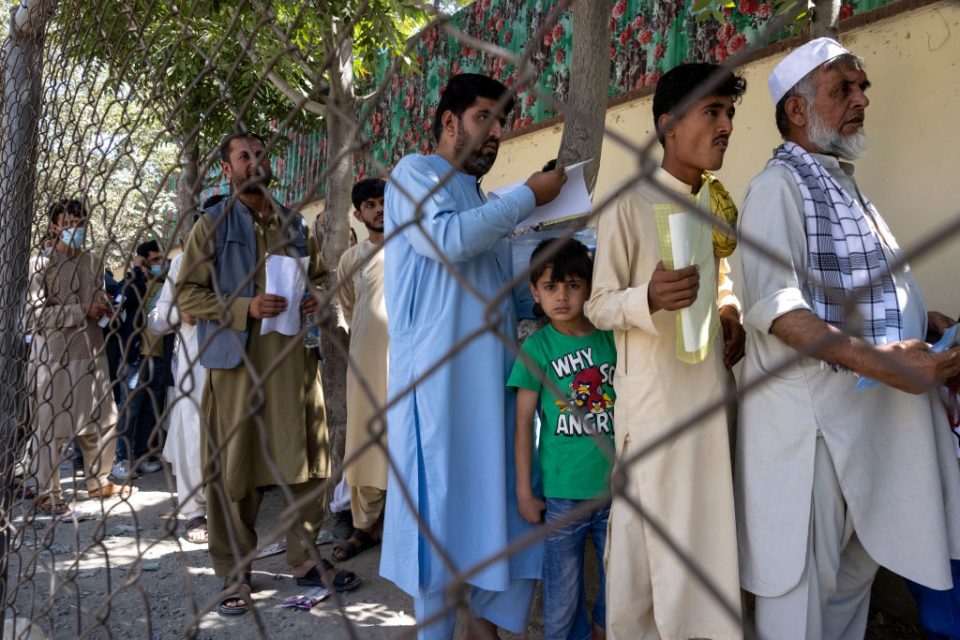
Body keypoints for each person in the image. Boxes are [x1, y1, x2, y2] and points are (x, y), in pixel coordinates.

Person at [736, 37, 960, 639]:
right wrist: (884, 363)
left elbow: (860, 290)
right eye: (844, 89)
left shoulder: (841, 184)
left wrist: (921, 319)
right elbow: (781, 311)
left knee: (851, 584)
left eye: (862, 88)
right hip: (810, 429)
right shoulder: (777, 189)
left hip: (863, 420)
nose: (862, 99)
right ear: (798, 110)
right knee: (803, 592)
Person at [381, 73, 566, 639]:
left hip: (493, 390)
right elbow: (449, 241)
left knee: (501, 522)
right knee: (437, 531)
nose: (496, 133)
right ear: (449, 121)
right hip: (437, 393)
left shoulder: (484, 203)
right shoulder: (415, 174)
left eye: (502, 122)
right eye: (485, 117)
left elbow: (506, 293)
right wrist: (529, 195)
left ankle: (483, 626)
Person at [585, 63, 747, 640]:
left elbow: (720, 280)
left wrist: (730, 313)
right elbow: (597, 305)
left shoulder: (711, 204)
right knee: (648, 547)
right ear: (668, 125)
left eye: (730, 114)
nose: (726, 126)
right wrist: (647, 297)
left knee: (708, 533)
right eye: (712, 112)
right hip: (654, 410)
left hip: (710, 398)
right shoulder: (628, 204)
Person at [177, 131, 358, 616]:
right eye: (243, 155)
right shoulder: (211, 225)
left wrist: (317, 297)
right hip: (236, 368)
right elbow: (187, 293)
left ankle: (305, 558)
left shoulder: (293, 223)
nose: (253, 161)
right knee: (235, 471)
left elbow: (319, 277)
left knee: (309, 463)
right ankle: (234, 571)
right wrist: (243, 307)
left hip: (293, 364)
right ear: (227, 168)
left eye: (259, 153)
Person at [509, 238, 615, 640]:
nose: (562, 297)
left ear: (589, 287)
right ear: (534, 292)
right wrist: (525, 492)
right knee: (561, 598)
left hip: (615, 489)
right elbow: (523, 423)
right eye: (550, 287)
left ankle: (602, 628)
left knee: (619, 583)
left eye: (573, 285)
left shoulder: (610, 338)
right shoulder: (538, 347)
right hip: (563, 495)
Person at [27, 199, 132, 514]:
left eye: (81, 223)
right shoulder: (40, 264)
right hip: (54, 354)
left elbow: (96, 298)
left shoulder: (93, 262)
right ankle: (47, 492)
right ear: (54, 227)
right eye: (69, 224)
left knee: (102, 420)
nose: (76, 229)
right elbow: (34, 316)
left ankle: (98, 481)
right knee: (50, 425)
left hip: (91, 348)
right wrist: (81, 310)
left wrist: (105, 308)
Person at [333, 178, 389, 561]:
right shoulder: (350, 259)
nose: (380, 209)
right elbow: (350, 307)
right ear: (358, 214)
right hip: (367, 363)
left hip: (412, 363)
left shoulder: (416, 246)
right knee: (366, 441)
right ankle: (365, 526)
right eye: (371, 204)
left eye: (384, 201)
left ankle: (404, 523)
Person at [147, 244, 207, 544]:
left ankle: (229, 504)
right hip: (193, 362)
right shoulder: (183, 261)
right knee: (192, 433)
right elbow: (156, 317)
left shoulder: (246, 253)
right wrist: (179, 314)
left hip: (238, 359)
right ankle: (195, 509)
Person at [111, 239, 168, 481]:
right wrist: (136, 271)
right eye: (154, 260)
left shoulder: (167, 284)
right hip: (136, 356)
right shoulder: (133, 284)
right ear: (144, 262)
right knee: (130, 409)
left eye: (161, 258)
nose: (160, 263)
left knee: (150, 409)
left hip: (159, 354)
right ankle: (121, 460)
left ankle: (143, 456)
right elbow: (122, 299)